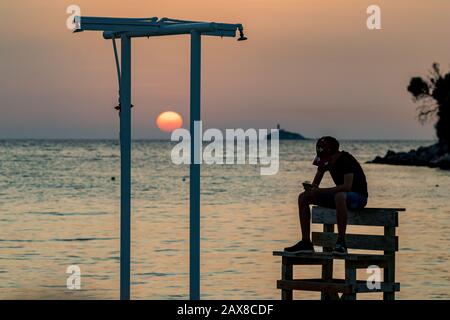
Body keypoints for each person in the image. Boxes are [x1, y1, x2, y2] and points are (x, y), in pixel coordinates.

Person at [284, 136, 368, 255]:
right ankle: (306, 242)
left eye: (327, 160)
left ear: (335, 154)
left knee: (339, 195)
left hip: (358, 198)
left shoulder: (346, 160)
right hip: (340, 198)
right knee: (303, 197)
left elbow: (347, 187)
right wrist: (311, 190)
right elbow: (316, 185)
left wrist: (319, 191)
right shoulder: (325, 162)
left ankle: (341, 242)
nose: (326, 164)